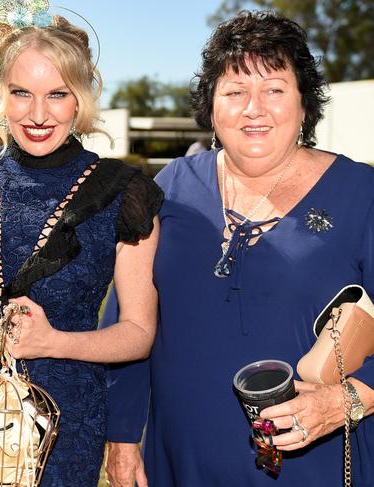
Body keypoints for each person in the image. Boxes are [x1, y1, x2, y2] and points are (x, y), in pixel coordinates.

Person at [103, 10, 374, 487]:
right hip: (180, 462)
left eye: (274, 89)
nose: (254, 108)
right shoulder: (170, 188)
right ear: (210, 107)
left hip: (316, 465)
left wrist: (346, 401)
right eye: (234, 91)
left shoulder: (361, 193)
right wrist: (123, 440)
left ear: (304, 104)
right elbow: (129, 318)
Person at [0, 10, 162, 487]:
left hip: (62, 426)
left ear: (83, 93)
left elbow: (138, 332)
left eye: (58, 94)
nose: (38, 114)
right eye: (21, 93)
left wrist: (56, 342)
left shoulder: (123, 193)